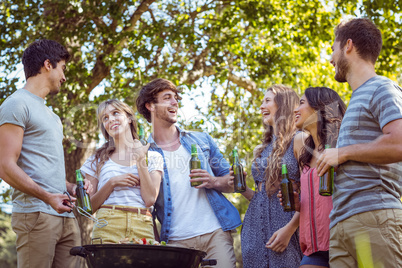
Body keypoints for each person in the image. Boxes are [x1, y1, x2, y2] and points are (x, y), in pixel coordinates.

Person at [316, 18, 402, 267]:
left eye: (333, 48)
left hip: (374, 217)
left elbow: (398, 143)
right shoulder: (355, 100)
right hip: (342, 225)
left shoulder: (382, 88)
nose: (331, 58)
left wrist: (343, 153)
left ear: (348, 46)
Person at [0, 39, 92, 268]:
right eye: (62, 68)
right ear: (48, 64)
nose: (64, 76)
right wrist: (47, 197)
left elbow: (43, 168)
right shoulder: (16, 104)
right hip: (36, 214)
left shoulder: (53, 117)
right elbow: (5, 165)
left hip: (65, 217)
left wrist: (69, 186)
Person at [136, 78, 241, 267]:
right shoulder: (144, 153)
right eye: (167, 98)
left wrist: (213, 181)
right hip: (176, 241)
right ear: (150, 106)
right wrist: (157, 244)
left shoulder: (201, 140)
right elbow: (145, 206)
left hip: (215, 233)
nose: (175, 102)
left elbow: (232, 182)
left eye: (175, 98)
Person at [80, 99, 163, 244]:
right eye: (105, 118)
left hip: (142, 224)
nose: (111, 119)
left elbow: (150, 199)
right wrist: (112, 183)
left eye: (115, 113)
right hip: (108, 225)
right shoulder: (96, 159)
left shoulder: (153, 156)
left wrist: (140, 159)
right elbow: (88, 208)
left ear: (130, 118)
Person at [281, 87, 346, 267]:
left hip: (343, 243)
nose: (295, 110)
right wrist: (298, 204)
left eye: (301, 103)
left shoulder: (342, 146)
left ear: (319, 108)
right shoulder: (306, 156)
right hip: (313, 248)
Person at [239, 85, 303, 268]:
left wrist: (290, 229)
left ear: (284, 104)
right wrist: (243, 188)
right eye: (262, 101)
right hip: (254, 227)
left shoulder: (300, 139)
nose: (261, 106)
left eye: (267, 100)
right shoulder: (263, 149)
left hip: (286, 225)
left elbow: (311, 191)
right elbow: (262, 197)